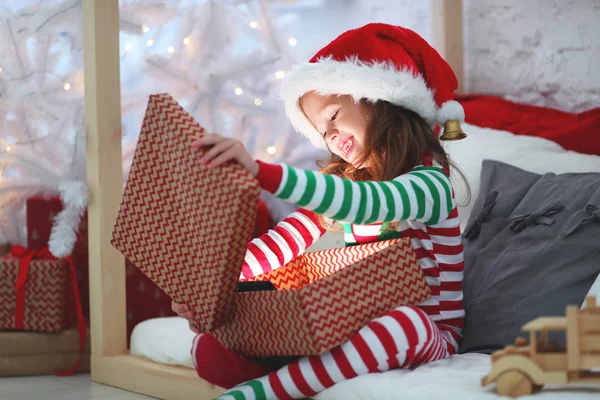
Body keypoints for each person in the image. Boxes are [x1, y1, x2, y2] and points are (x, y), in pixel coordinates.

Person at [172, 23, 467, 400]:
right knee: (223, 333)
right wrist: (209, 283)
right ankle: (279, 363)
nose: (331, 136)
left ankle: (259, 392)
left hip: (430, 336)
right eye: (321, 131)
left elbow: (371, 202)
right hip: (357, 323)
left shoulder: (430, 184)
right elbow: (282, 242)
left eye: (334, 116)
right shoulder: (351, 187)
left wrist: (263, 172)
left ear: (380, 100)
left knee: (404, 324)